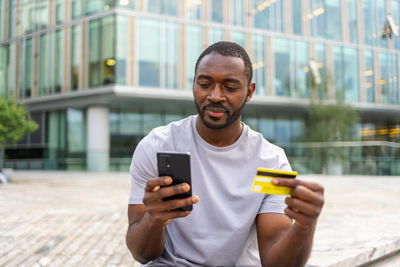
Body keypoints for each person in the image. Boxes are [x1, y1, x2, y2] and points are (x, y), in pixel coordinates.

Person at [126, 41, 324, 266]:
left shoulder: (270, 162)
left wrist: (305, 227)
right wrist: (154, 220)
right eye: (204, 84)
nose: (215, 96)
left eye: (230, 87)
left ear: (249, 92)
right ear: (194, 84)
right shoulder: (157, 145)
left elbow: (275, 260)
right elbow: (141, 254)